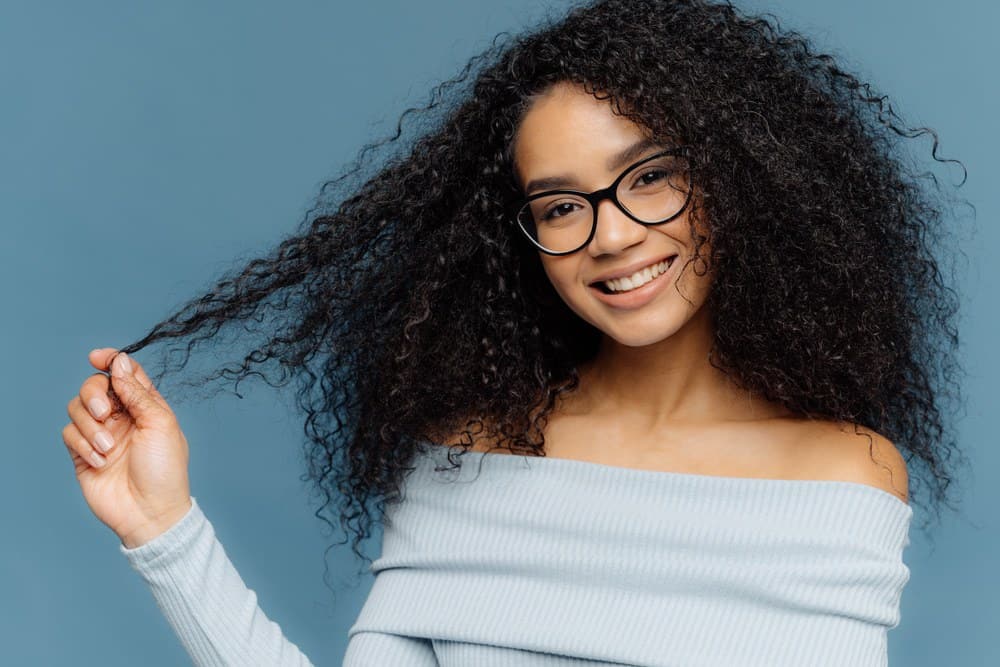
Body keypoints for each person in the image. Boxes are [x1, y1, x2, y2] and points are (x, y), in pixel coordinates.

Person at [61, 0, 968, 664]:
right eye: (561, 204)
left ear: (738, 178)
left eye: (649, 178)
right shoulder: (467, 452)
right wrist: (162, 527)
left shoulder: (839, 471)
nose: (610, 235)